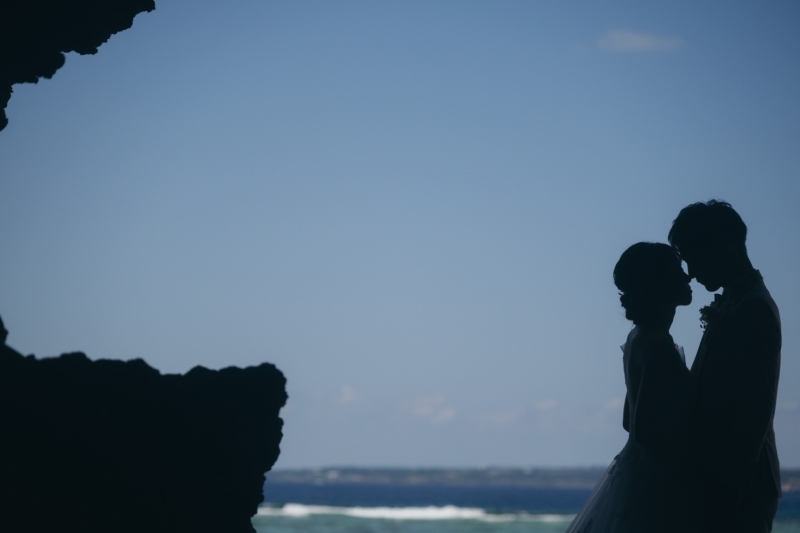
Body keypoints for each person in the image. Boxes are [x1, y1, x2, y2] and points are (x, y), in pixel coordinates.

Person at [565, 242, 703, 533]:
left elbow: (629, 419)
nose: (687, 277)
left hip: (635, 471)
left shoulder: (638, 338)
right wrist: (689, 471)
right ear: (657, 284)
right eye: (677, 271)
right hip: (657, 480)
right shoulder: (657, 346)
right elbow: (642, 428)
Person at [669, 200, 781, 533]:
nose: (690, 271)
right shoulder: (738, 301)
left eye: (693, 256)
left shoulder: (753, 308)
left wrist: (730, 491)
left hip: (739, 487)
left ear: (724, 247)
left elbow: (756, 407)